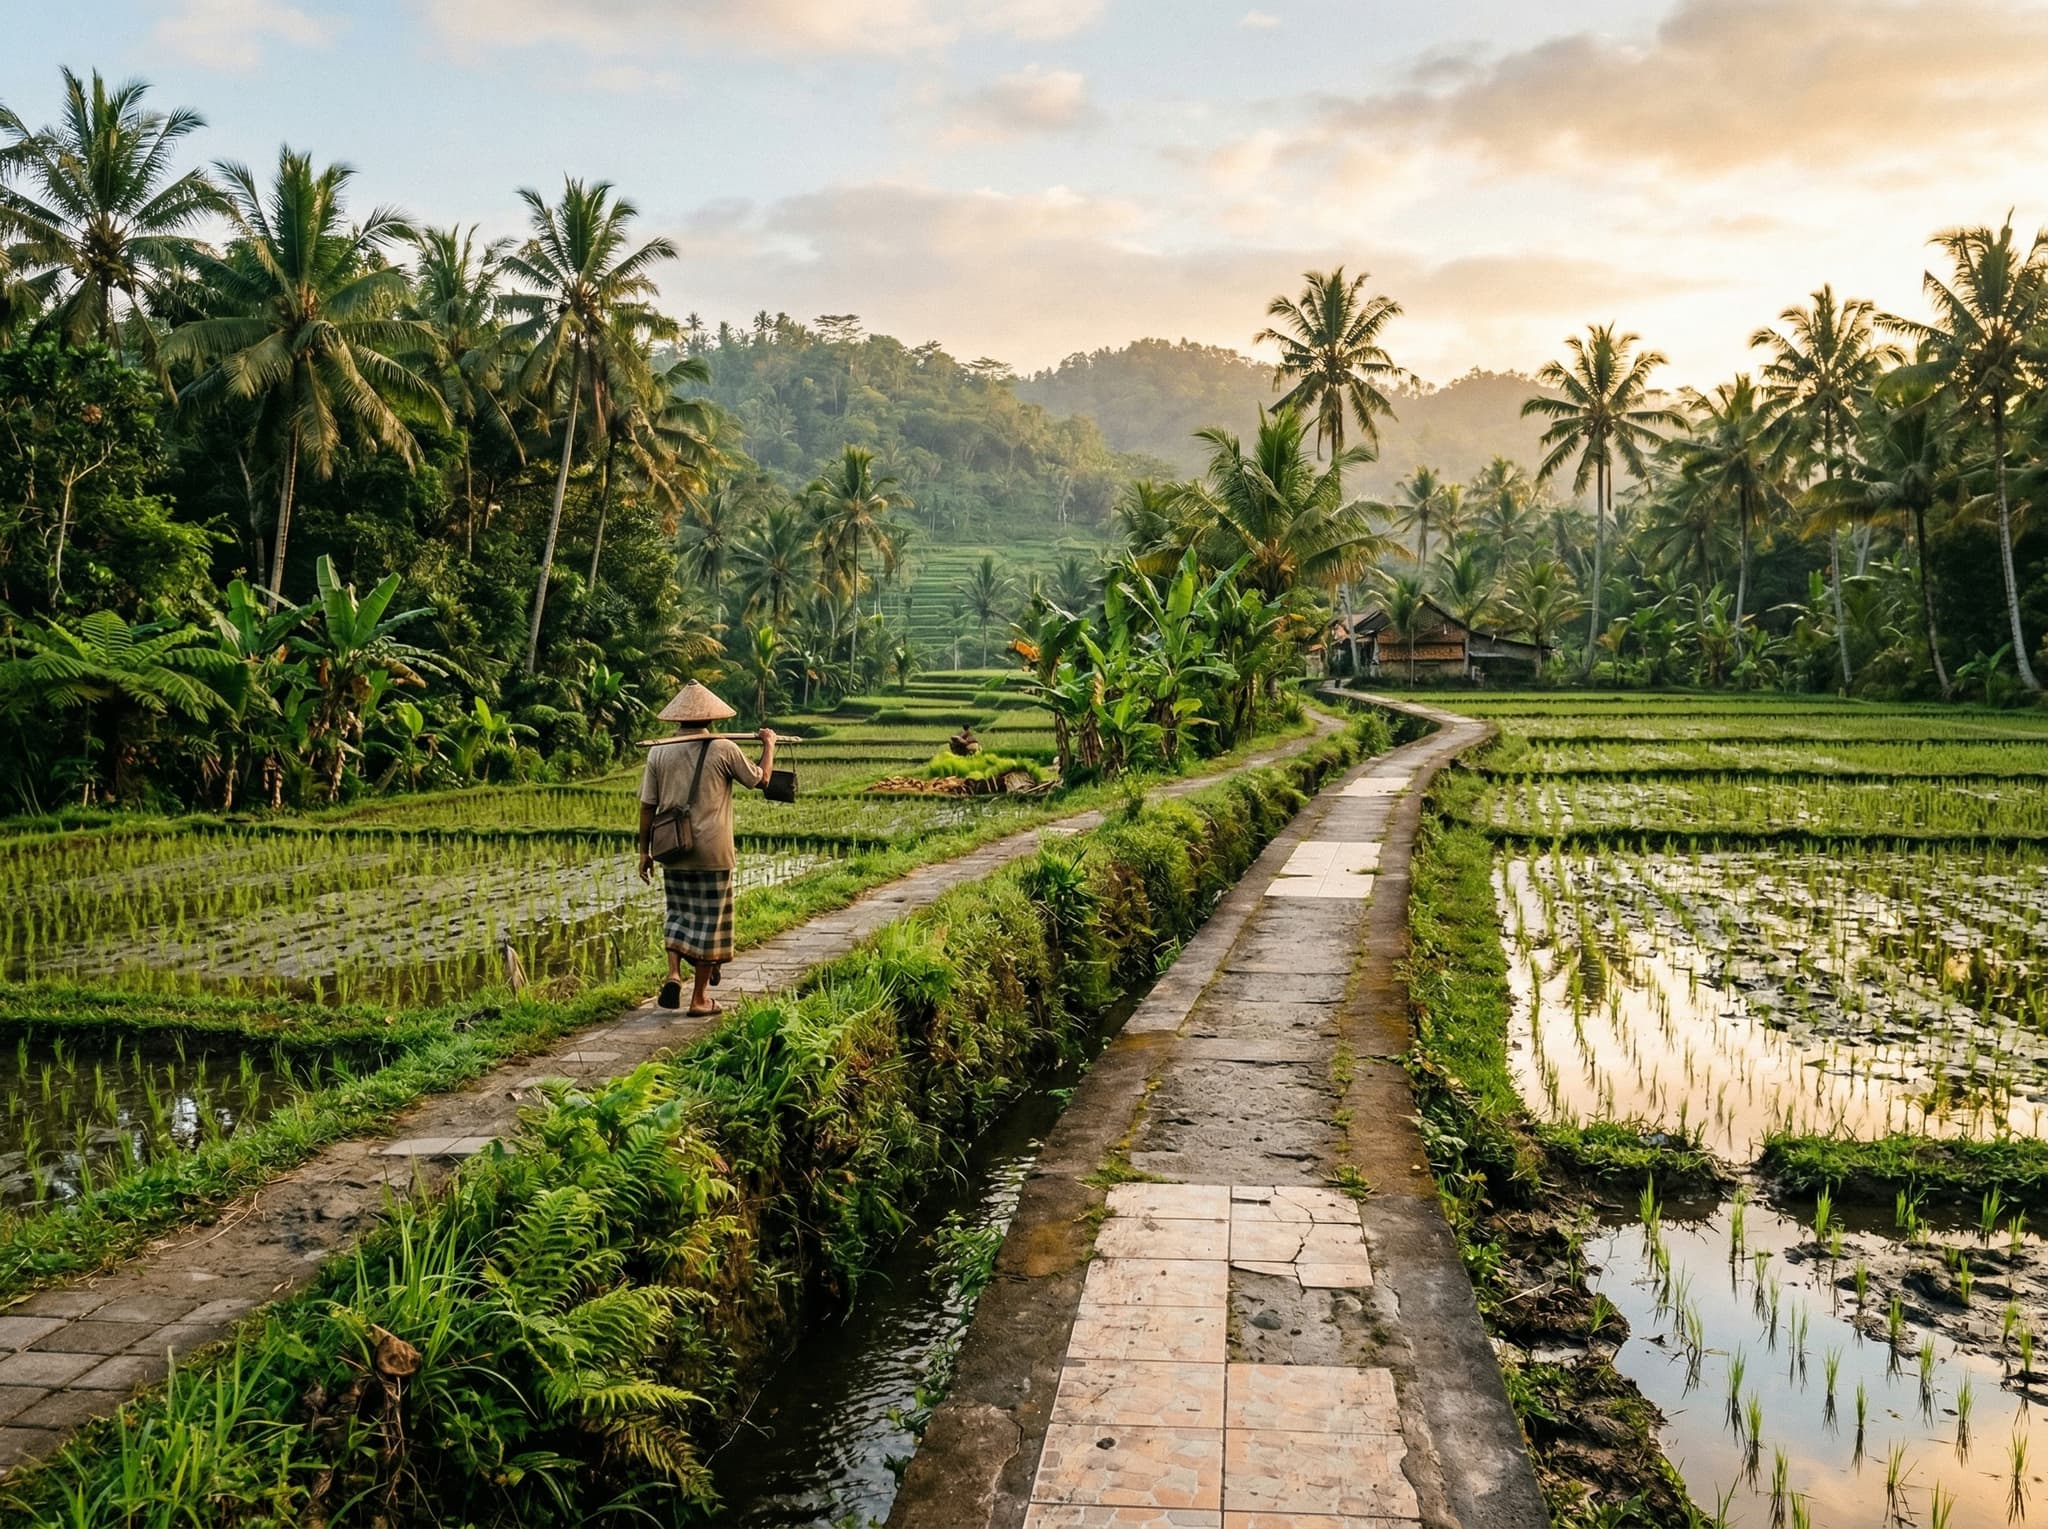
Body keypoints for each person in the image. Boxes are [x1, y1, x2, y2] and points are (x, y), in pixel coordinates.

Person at [636, 681, 777, 1016]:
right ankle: (699, 999)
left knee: (678, 915)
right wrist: (768, 744)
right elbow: (762, 779)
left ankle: (673, 973)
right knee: (709, 925)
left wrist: (644, 852)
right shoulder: (724, 748)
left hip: (672, 850)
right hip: (713, 853)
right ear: (711, 718)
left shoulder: (658, 751)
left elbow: (647, 807)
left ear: (678, 719)